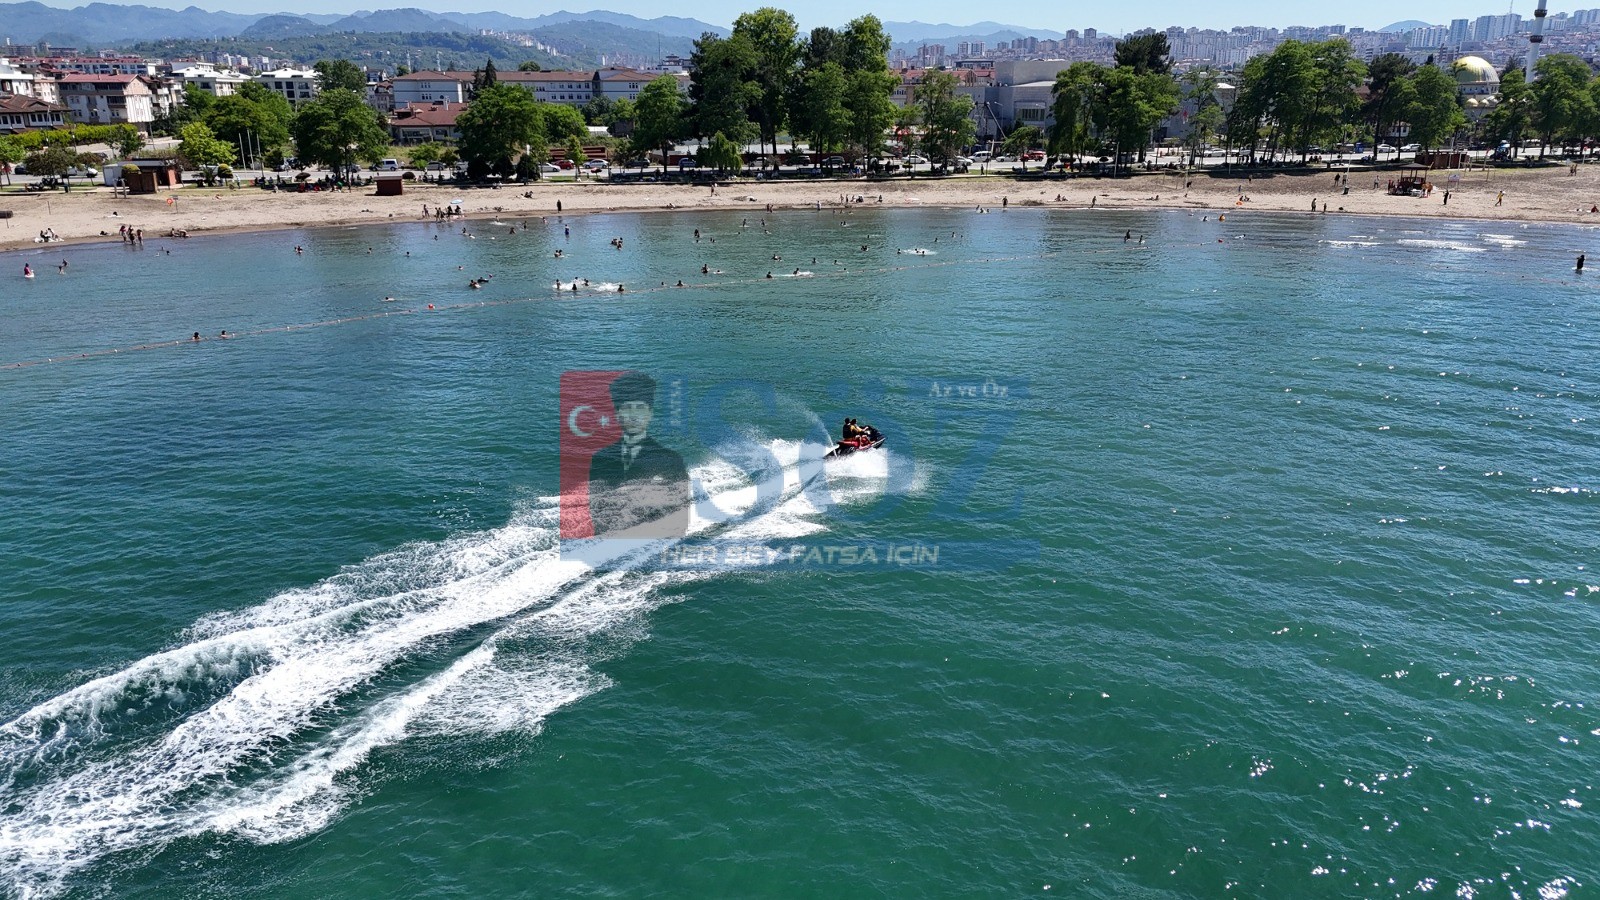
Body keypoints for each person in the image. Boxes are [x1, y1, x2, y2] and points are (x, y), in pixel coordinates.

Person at [586, 372, 689, 538]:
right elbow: (594, 509)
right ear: (617, 415)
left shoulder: (671, 460)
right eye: (627, 408)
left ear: (650, 414)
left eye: (640, 408)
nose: (633, 416)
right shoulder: (599, 458)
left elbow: (680, 518)